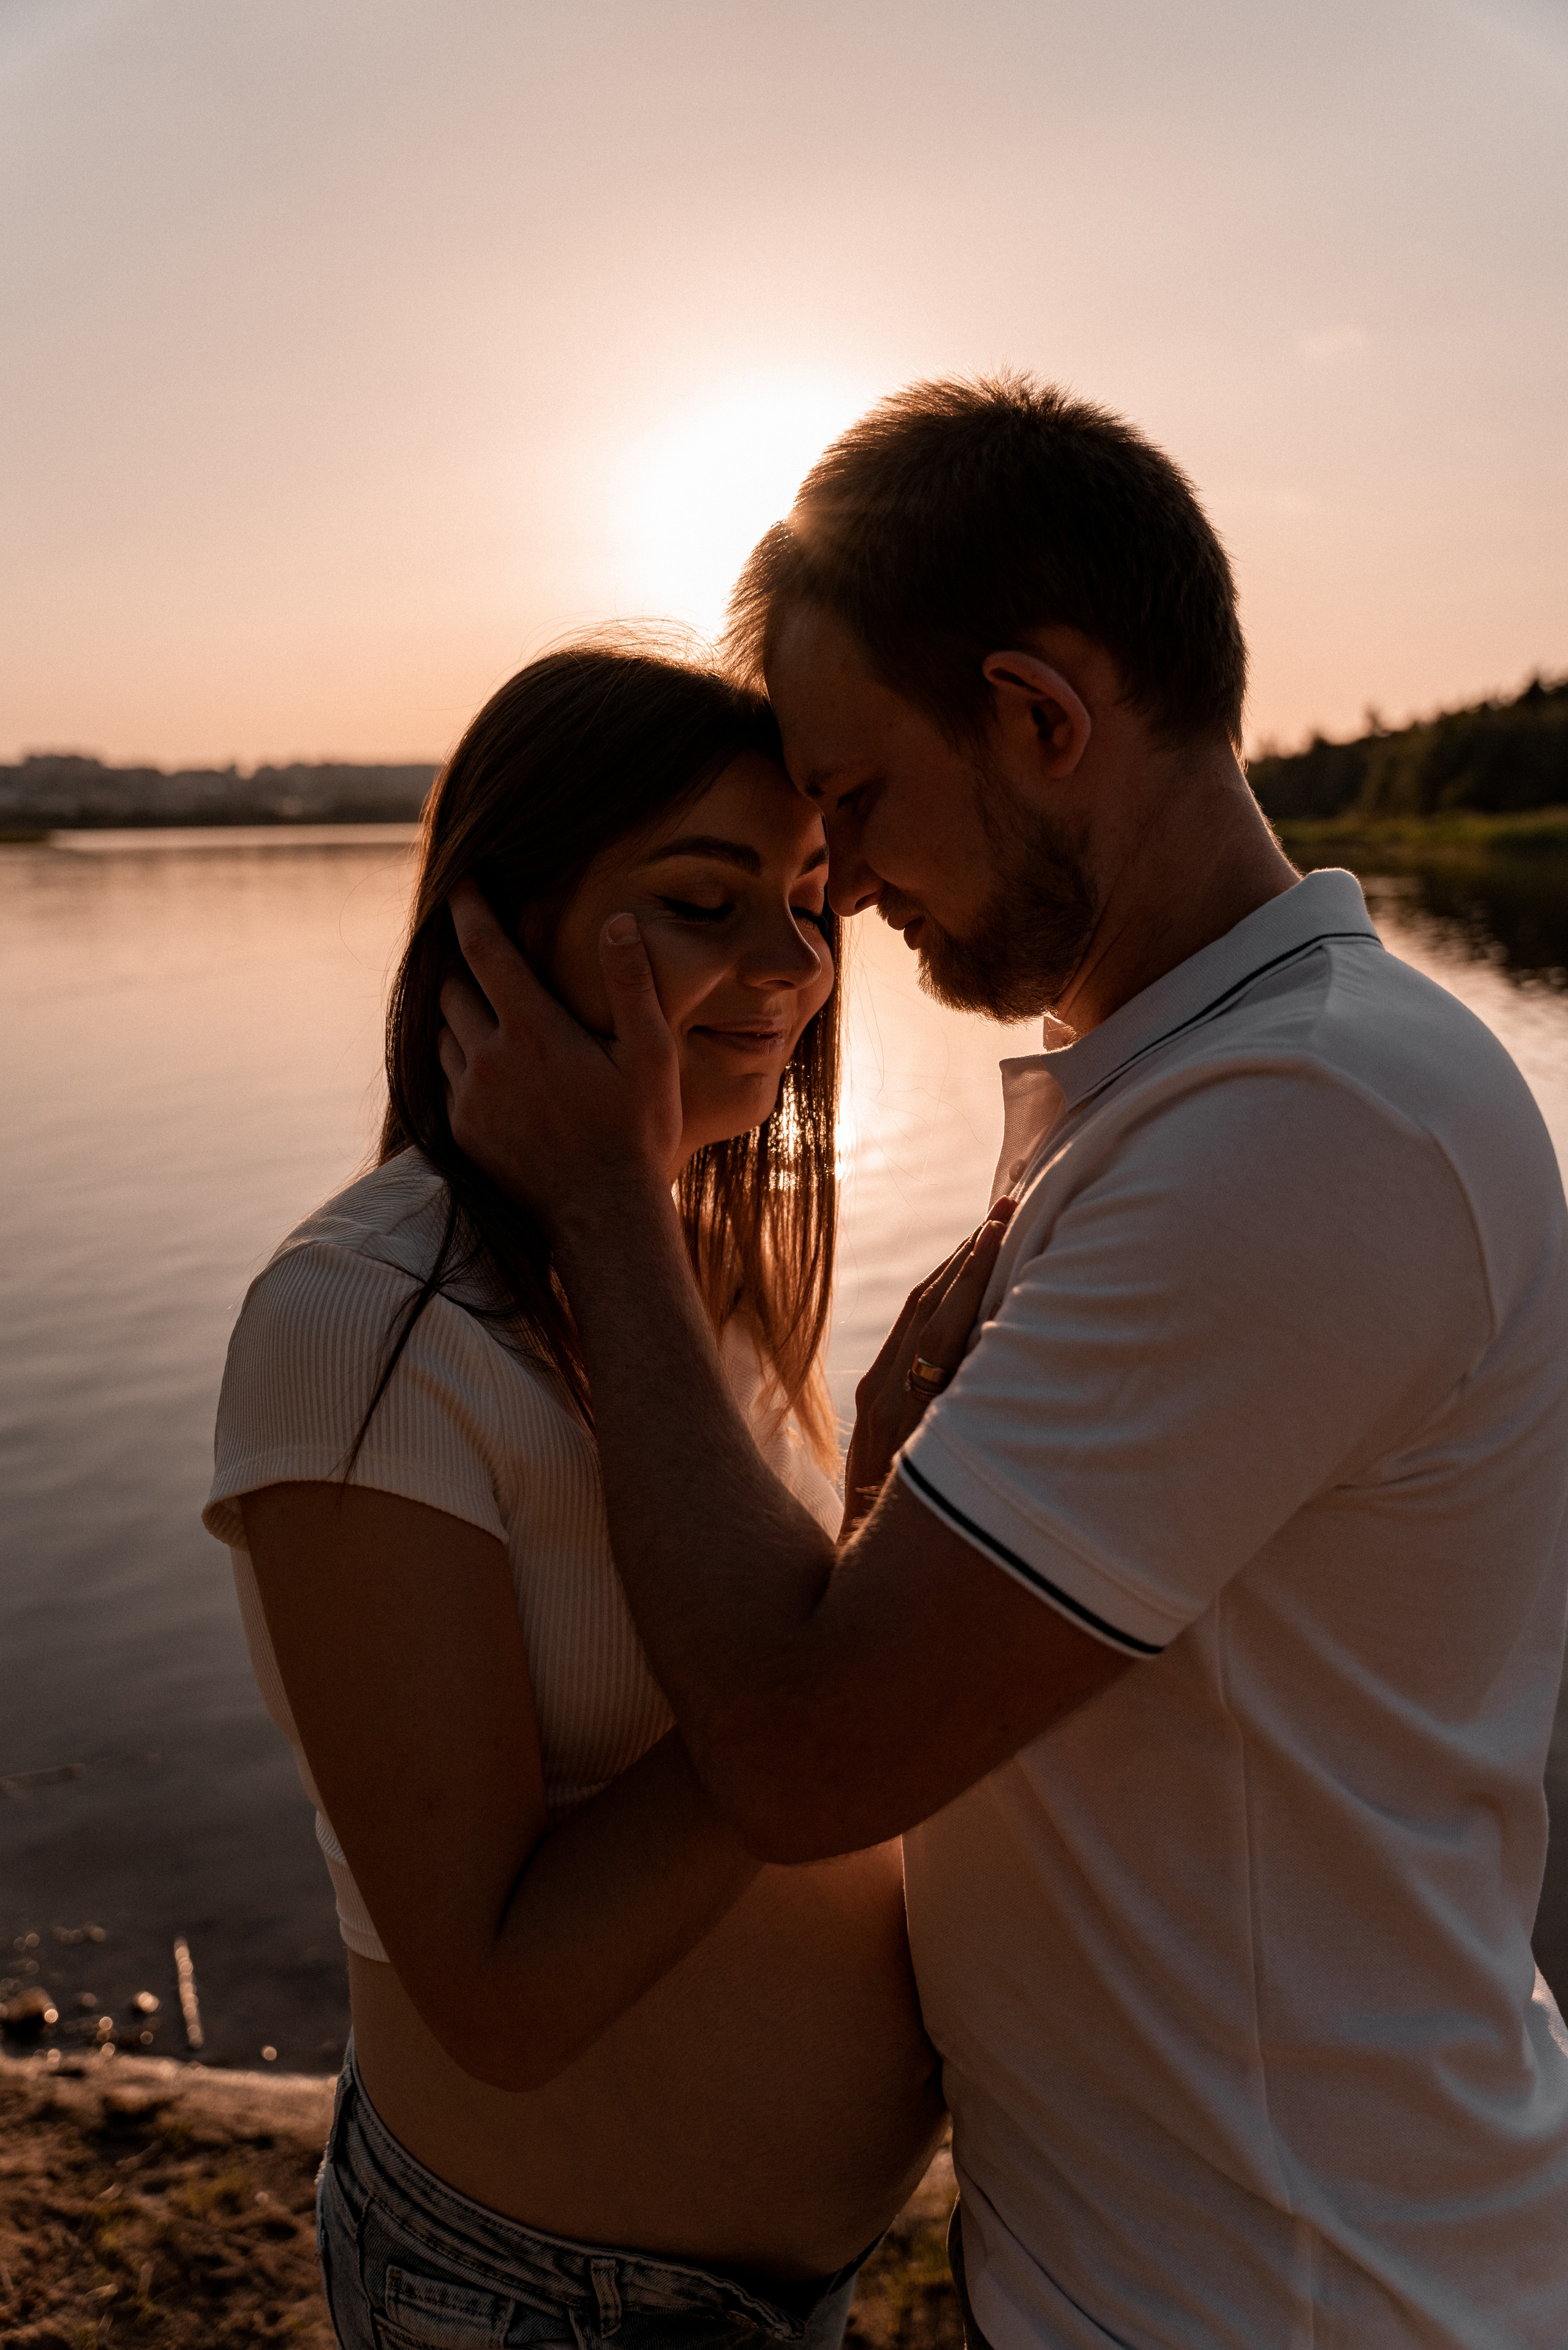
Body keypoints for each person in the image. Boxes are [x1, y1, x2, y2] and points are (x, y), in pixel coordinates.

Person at [436, 378, 1568, 2349]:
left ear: (1041, 717)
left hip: (1297, 2300)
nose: (848, 889)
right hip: (1183, 2265)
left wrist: (608, 1205)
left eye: (857, 802)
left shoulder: (1302, 1127)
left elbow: (804, 1757)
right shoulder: (1195, 1089)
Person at [202, 644, 954, 2350]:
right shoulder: (360, 1326)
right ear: (496, 932)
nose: (796, 965)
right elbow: (499, 1996)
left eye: (811, 903)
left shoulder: (680, 1267)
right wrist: (844, 1656)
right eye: (701, 902)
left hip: (766, 2291)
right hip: (547, 2300)